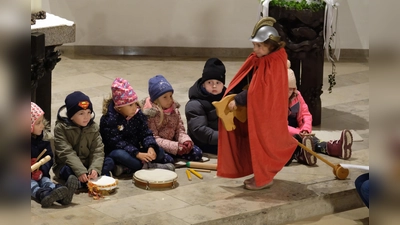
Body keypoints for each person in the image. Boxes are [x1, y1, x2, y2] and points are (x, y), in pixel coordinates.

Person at [217, 17, 298, 190]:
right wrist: (231, 94)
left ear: (272, 45)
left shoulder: (273, 62)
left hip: (268, 114)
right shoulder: (263, 58)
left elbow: (259, 91)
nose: (255, 49)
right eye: (254, 45)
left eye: (259, 46)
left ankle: (265, 178)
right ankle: (260, 174)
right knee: (256, 142)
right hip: (261, 111)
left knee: (265, 142)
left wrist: (238, 100)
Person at [100, 77, 175, 176]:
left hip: (135, 150)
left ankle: (128, 168)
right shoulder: (109, 119)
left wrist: (150, 147)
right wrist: (137, 154)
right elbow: (116, 143)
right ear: (119, 108)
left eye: (135, 103)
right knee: (119, 155)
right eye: (130, 105)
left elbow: (145, 132)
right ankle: (150, 166)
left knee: (159, 152)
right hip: (120, 151)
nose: (135, 107)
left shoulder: (137, 114)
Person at [287, 66, 353, 166]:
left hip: (300, 131)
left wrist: (305, 129)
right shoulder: (274, 101)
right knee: (292, 145)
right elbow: (279, 126)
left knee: (314, 141)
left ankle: (336, 148)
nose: (288, 92)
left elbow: (305, 114)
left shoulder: (297, 96)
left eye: (291, 89)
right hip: (287, 134)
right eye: (285, 89)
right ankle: (301, 154)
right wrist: (299, 133)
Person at [53, 91, 114, 188]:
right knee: (66, 170)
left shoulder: (93, 127)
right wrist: (80, 171)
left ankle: (93, 178)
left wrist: (94, 169)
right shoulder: (61, 128)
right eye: (81, 113)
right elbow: (66, 152)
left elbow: (98, 150)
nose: (86, 117)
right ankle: (78, 182)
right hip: (69, 164)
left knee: (109, 161)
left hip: (87, 163)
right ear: (71, 116)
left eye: (89, 112)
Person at [141, 75, 203, 162]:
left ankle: (177, 154)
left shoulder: (174, 110)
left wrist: (185, 141)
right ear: (155, 100)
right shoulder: (151, 115)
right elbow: (154, 138)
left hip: (174, 144)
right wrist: (175, 147)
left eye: (170, 96)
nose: (170, 100)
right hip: (159, 147)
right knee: (168, 159)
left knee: (197, 153)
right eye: (165, 97)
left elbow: (180, 129)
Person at [31, 102, 78, 207]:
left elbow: (49, 157)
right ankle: (43, 196)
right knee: (32, 185)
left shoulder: (43, 139)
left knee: (46, 181)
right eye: (38, 123)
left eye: (42, 122)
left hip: (40, 174)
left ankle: (61, 194)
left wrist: (41, 168)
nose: (42, 125)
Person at [185, 58, 227, 155]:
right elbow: (201, 131)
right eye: (209, 82)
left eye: (218, 83)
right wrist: (225, 137)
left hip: (221, 139)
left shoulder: (227, 98)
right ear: (203, 84)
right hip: (204, 144)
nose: (214, 86)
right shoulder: (194, 105)